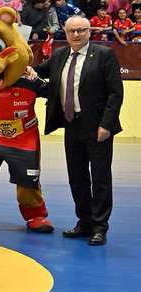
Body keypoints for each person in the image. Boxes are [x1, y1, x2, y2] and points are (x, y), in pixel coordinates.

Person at [32, 16, 123, 246]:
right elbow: (39, 71)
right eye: (71, 30)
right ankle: (85, 221)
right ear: (65, 32)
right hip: (71, 125)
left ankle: (100, 227)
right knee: (77, 177)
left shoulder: (104, 54)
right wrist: (19, 66)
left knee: (100, 178)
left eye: (81, 30)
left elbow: (115, 93)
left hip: (97, 127)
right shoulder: (60, 55)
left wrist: (106, 125)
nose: (76, 34)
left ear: (89, 31)